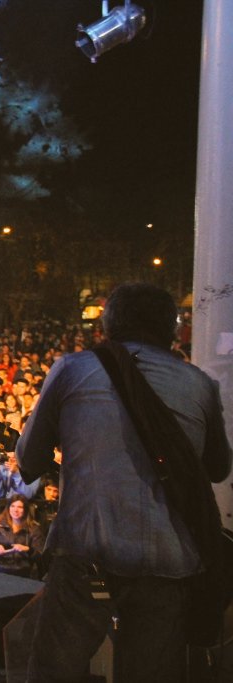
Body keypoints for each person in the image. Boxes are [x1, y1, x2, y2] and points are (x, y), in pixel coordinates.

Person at [16, 283, 233, 683]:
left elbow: (29, 459)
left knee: (53, 672)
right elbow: (218, 468)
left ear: (108, 325)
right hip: (167, 561)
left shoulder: (72, 369)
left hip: (87, 549)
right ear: (172, 329)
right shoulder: (199, 384)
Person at [0, 494, 44, 577]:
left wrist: (27, 549)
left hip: (22, 571)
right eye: (12, 506)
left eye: (20, 507)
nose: (15, 510)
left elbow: (40, 554)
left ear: (25, 510)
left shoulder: (33, 529)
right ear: (8, 508)